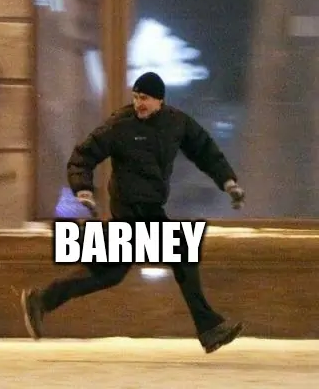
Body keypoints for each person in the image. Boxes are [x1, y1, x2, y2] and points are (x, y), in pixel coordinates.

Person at [21, 71, 246, 354]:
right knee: (181, 253)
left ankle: (42, 300)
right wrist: (83, 189)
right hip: (130, 210)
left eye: (145, 98)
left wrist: (228, 182)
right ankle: (209, 328)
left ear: (160, 101)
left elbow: (205, 151)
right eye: (136, 97)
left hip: (150, 208)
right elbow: (83, 156)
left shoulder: (177, 123)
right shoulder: (121, 124)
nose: (139, 103)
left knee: (109, 273)